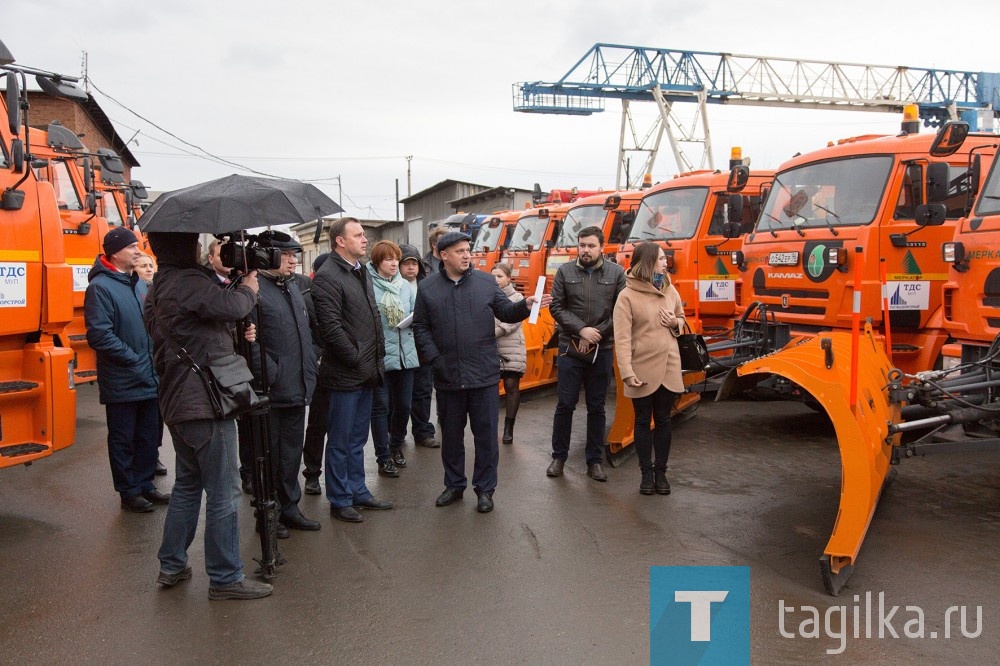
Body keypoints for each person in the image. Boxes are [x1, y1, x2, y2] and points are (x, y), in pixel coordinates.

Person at [145, 231, 271, 600]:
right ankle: (225, 576)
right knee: (224, 489)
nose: (201, 247)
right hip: (204, 401)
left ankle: (171, 563)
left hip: (178, 399)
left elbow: (202, 321)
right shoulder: (187, 280)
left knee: (187, 484)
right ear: (185, 246)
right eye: (196, 242)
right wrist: (248, 288)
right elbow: (230, 307)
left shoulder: (161, 285)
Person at [413, 231, 550, 514]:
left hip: (483, 375)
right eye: (460, 251)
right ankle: (454, 485)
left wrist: (524, 306)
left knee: (486, 436)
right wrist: (435, 359)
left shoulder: (486, 283)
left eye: (468, 250)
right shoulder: (427, 288)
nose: (467, 255)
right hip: (448, 375)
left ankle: (485, 489)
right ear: (443, 255)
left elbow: (507, 312)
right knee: (451, 435)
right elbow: (421, 328)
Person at [312, 217, 392, 523]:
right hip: (345, 373)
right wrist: (358, 358)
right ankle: (340, 498)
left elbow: (373, 317)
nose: (365, 239)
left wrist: (376, 357)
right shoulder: (328, 275)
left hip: (366, 371)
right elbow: (329, 328)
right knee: (341, 439)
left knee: (358, 438)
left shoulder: (360, 272)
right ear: (339, 241)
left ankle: (358, 490)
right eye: (358, 235)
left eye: (364, 234)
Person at [84, 227, 167, 513]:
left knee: (148, 435)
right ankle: (128, 491)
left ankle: (145, 484)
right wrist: (134, 359)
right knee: (123, 438)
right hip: (123, 378)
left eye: (138, 246)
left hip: (149, 374)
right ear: (115, 252)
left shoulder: (139, 284)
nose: (138, 251)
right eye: (132, 247)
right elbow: (99, 335)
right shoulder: (100, 287)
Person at [248, 237, 320, 532]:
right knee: (271, 455)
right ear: (266, 256)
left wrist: (313, 357)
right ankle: (269, 514)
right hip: (273, 389)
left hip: (298, 385)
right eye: (286, 255)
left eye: (295, 255)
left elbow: (307, 332)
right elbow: (247, 342)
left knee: (291, 452)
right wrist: (269, 373)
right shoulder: (252, 290)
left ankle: (290, 507)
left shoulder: (292, 286)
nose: (293, 260)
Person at [546, 225, 626, 482]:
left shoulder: (616, 273)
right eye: (582, 245)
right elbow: (556, 307)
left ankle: (594, 461)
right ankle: (559, 457)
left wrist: (595, 334)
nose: (586, 250)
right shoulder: (565, 271)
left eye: (591, 246)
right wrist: (581, 330)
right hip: (570, 346)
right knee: (565, 404)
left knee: (597, 406)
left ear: (602, 247)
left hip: (601, 349)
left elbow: (620, 310)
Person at [613, 241, 685, 495]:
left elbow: (682, 320)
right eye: (662, 259)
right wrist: (627, 372)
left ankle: (661, 474)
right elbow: (621, 339)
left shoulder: (669, 289)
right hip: (641, 368)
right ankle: (646, 474)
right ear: (648, 262)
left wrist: (675, 322)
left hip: (669, 365)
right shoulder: (627, 295)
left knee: (664, 420)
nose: (667, 263)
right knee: (643, 420)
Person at [367, 240, 418, 476]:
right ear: (378, 261)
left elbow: (415, 313)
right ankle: (383, 456)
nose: (394, 263)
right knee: (380, 407)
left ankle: (396, 445)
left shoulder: (405, 286)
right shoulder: (367, 284)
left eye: (396, 258)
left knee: (404, 405)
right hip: (380, 357)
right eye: (388, 259)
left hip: (405, 355)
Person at [133, 250, 169, 477]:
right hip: (142, 363)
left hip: (158, 363)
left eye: (151, 265)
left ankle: (153, 455)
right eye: (143, 265)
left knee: (157, 418)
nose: (149, 269)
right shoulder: (135, 291)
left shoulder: (158, 291)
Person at [401, 243, 438, 449]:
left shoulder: (427, 285)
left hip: (423, 348)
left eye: (414, 263)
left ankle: (423, 432)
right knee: (400, 396)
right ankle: (396, 433)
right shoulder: (393, 285)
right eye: (406, 263)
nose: (410, 268)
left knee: (423, 392)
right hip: (401, 347)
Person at [301, 252, 330, 494]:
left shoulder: (346, 293)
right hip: (320, 367)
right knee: (317, 424)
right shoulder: (307, 299)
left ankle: (339, 476)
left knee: (343, 427)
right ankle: (312, 473)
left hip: (344, 368)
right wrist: (318, 353)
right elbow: (307, 337)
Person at [491, 263, 526, 445]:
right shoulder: (487, 296)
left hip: (511, 346)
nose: (496, 280)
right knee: (489, 388)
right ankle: (491, 426)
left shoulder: (517, 297)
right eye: (493, 276)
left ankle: (508, 428)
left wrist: (493, 332)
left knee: (511, 386)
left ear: (508, 278)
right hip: (490, 348)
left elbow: (515, 321)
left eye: (500, 276)